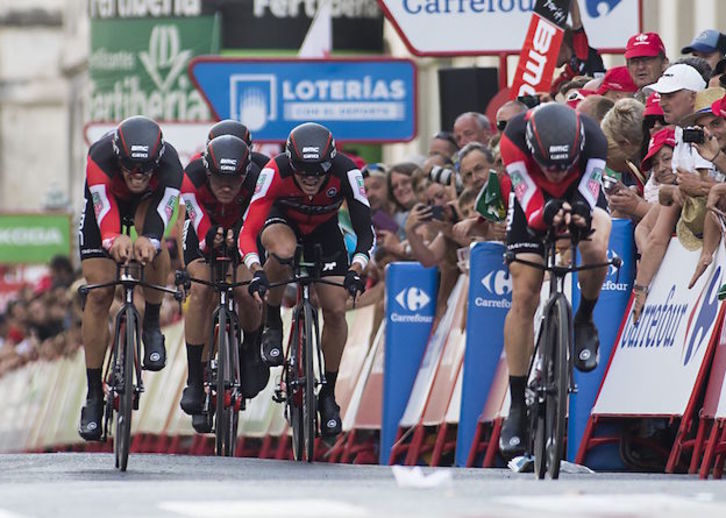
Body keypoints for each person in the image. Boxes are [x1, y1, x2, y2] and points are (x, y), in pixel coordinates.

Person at [237, 122, 372, 437]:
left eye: (318, 173)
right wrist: (256, 269)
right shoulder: (274, 172)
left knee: (336, 309)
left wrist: (356, 268)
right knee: (284, 250)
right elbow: (248, 230)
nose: (311, 180)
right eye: (303, 173)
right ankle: (272, 322)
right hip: (282, 223)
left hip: (325, 231)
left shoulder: (347, 172)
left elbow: (366, 231)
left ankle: (328, 393)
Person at [498, 104, 611, 457]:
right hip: (532, 196)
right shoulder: (513, 138)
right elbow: (528, 199)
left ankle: (584, 319)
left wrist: (577, 211)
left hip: (582, 193)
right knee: (525, 289)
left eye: (564, 164)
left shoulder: (594, 137)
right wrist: (545, 213)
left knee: (595, 247)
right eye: (550, 164)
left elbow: (590, 192)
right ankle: (516, 406)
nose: (558, 172)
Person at [78, 116, 183, 440]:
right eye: (130, 168)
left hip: (147, 207)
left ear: (156, 161)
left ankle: (151, 325)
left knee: (153, 250)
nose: (137, 176)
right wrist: (111, 238)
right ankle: (94, 394)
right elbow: (103, 210)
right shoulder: (99, 156)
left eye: (145, 169)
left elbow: (163, 216)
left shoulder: (171, 164)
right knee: (98, 294)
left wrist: (149, 239)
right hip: (106, 205)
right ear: (118, 158)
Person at [178, 134, 266, 427]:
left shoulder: (261, 174)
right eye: (218, 179)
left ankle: (252, 348)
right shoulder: (191, 175)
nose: (226, 187)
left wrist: (241, 244)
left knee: (244, 288)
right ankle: (194, 377)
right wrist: (201, 249)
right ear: (207, 170)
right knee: (202, 290)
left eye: (234, 179)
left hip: (245, 228)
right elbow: (189, 221)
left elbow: (258, 220)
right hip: (204, 225)